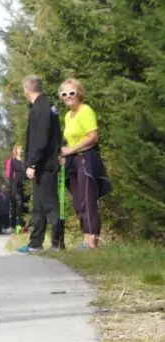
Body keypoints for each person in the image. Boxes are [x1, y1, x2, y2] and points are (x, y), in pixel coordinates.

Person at [58, 78, 110, 249]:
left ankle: (93, 240)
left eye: (71, 93)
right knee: (78, 201)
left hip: (86, 158)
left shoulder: (85, 110)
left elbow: (93, 137)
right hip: (73, 161)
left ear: (79, 93)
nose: (68, 97)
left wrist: (71, 150)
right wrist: (66, 152)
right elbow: (71, 140)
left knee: (88, 199)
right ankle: (85, 237)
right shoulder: (68, 115)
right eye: (64, 94)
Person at [16, 75, 63, 254]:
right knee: (38, 206)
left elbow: (41, 139)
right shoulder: (46, 106)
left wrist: (33, 163)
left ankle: (57, 243)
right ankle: (35, 243)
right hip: (44, 164)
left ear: (25, 91)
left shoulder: (42, 108)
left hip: (45, 165)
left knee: (50, 204)